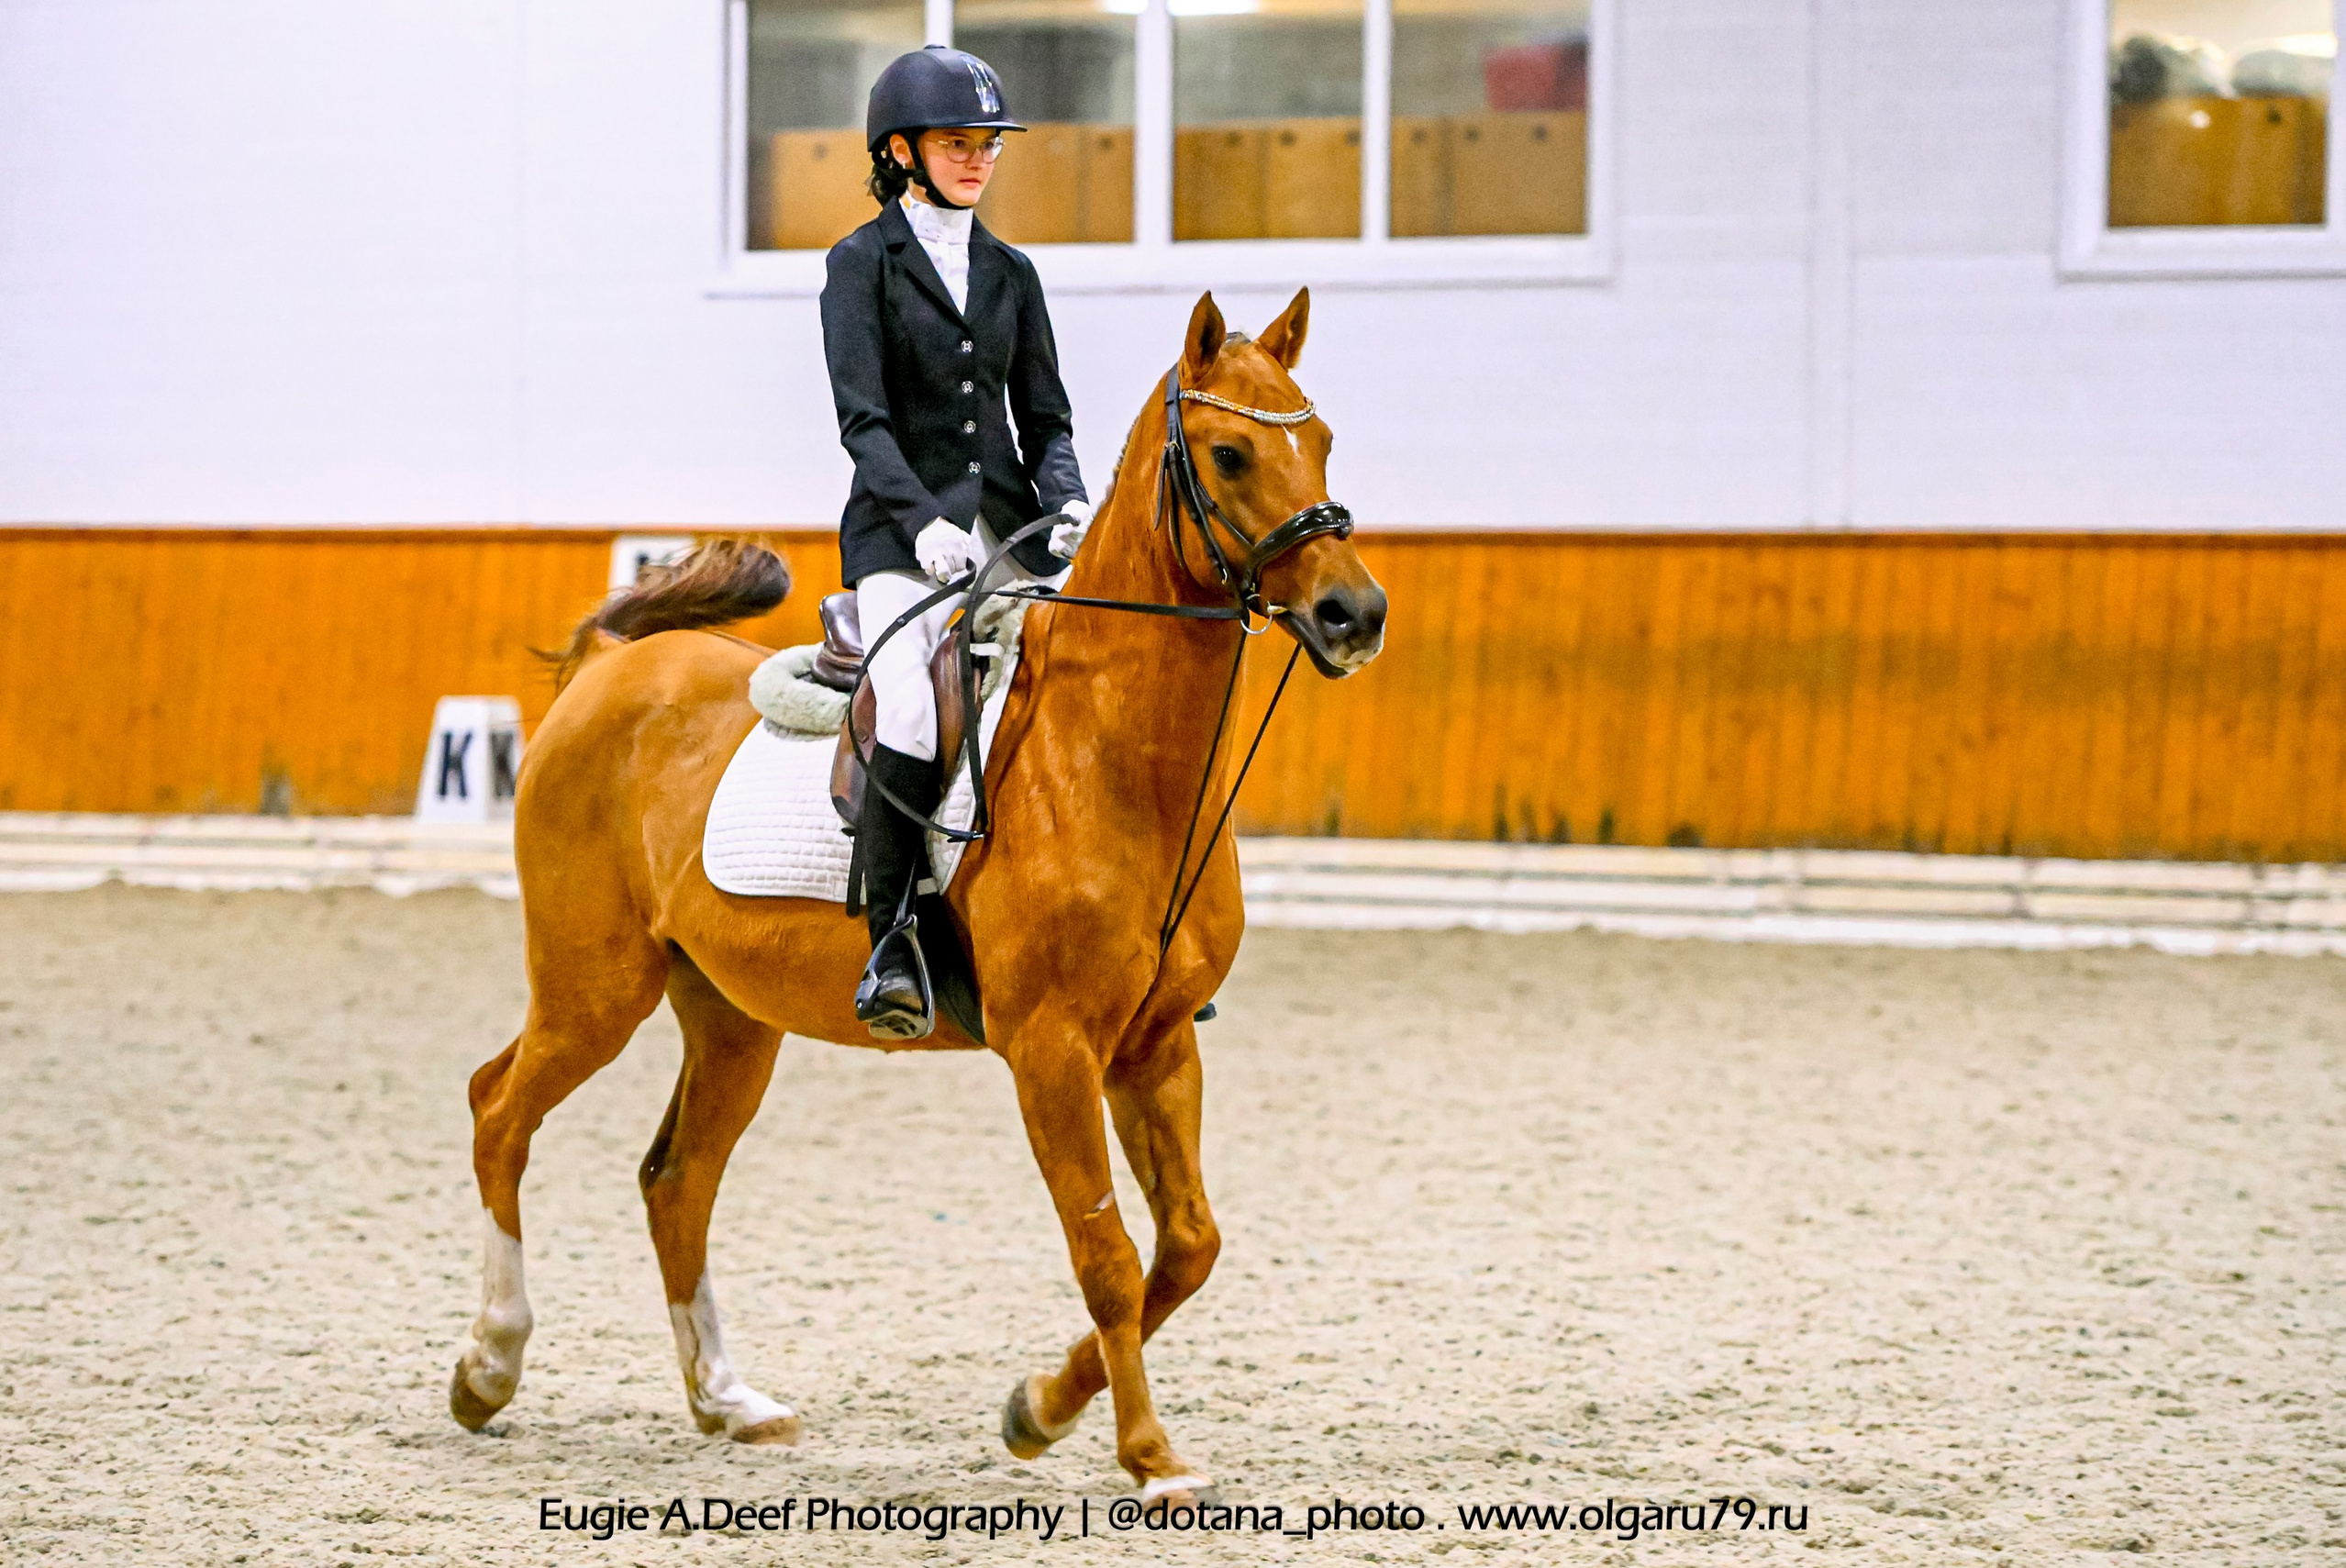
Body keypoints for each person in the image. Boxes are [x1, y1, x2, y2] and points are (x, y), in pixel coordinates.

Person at [819, 45, 1095, 1040]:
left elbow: (1047, 420)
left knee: (1091, 683)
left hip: (1012, 531)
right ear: (901, 151)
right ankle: (893, 938)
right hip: (900, 538)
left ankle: (1122, 918)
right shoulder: (859, 265)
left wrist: (1064, 502)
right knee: (913, 707)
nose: (977, 159)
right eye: (956, 143)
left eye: (986, 144)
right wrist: (922, 522)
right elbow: (863, 423)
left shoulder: (1012, 273)